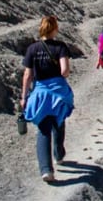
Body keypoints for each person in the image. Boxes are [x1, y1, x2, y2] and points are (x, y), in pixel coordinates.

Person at [20, 16, 74, 182]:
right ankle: (59, 154)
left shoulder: (32, 49)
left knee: (44, 129)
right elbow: (65, 70)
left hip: (40, 92)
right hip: (58, 91)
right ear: (55, 29)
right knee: (59, 120)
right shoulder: (61, 47)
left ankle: (46, 170)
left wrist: (24, 97)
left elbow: (28, 75)